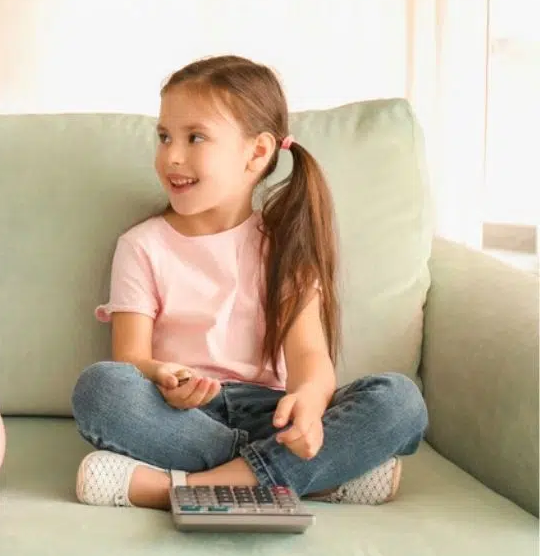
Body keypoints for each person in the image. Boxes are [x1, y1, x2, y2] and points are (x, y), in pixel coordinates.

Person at [71, 54, 428, 509]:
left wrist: (310, 407)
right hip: (186, 416)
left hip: (272, 414)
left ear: (257, 152)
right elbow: (130, 358)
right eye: (164, 137)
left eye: (194, 137)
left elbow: (310, 358)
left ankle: (185, 489)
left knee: (400, 401)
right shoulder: (142, 245)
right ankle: (310, 480)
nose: (171, 156)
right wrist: (161, 374)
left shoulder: (284, 247)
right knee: (101, 389)